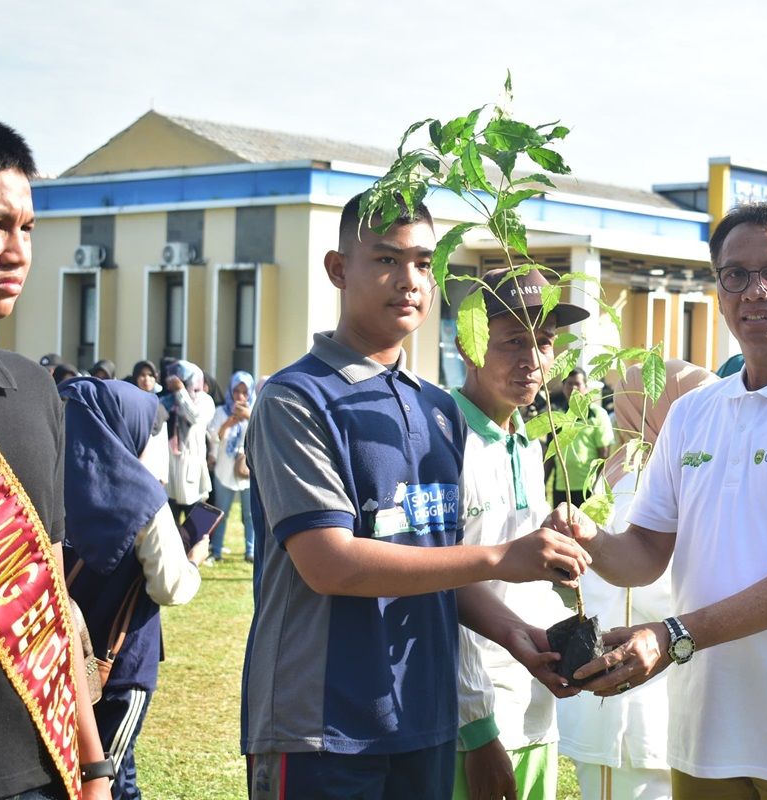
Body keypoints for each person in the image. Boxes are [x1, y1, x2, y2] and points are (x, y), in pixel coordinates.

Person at [241, 192, 590, 799]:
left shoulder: (436, 410)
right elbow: (328, 563)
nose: (409, 281)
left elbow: (438, 562)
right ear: (337, 268)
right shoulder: (296, 399)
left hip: (422, 720)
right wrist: (504, 558)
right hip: (322, 724)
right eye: (386, 259)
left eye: (425, 264)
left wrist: (511, 630)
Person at [548, 201, 767, 798]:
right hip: (704, 728)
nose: (753, 290)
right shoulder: (692, 414)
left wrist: (673, 635)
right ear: (718, 291)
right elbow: (645, 552)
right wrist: (589, 539)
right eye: (734, 274)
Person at [0, 105, 111, 799]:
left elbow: (49, 593)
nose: (17, 251)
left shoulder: (36, 392)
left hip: (37, 772)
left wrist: (95, 766)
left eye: (28, 228)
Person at [451, 267, 591, 800]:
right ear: (468, 344)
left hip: (536, 711)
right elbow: (443, 589)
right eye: (512, 341)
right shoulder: (446, 440)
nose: (533, 360)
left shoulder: (527, 447)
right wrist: (478, 730)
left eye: (545, 341)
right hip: (474, 722)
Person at [558, 359, 716, 800]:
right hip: (628, 716)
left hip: (665, 702)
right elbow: (636, 585)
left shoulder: (666, 481)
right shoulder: (636, 491)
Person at [60, 377, 207, 799]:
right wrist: (193, 558)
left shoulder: (36, 478)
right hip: (119, 664)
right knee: (112, 774)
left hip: (53, 660)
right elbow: (171, 587)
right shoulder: (141, 496)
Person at [207, 370, 256, 562]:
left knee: (250, 515)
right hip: (224, 469)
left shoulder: (256, 411)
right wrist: (229, 422)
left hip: (248, 471)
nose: (240, 396)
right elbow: (213, 437)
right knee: (221, 513)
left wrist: (249, 416)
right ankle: (217, 550)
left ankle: (251, 551)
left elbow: (262, 433)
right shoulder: (221, 412)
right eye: (237, 391)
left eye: (245, 392)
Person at [549, 367, 614, 509]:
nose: (573, 388)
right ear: (563, 387)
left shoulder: (597, 415)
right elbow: (550, 454)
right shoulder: (557, 416)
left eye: (577, 384)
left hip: (588, 488)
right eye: (569, 383)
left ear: (585, 388)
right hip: (562, 487)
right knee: (562, 530)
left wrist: (598, 487)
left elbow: (604, 454)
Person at [163, 360, 214, 522]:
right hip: (170, 469)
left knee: (195, 527)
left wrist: (181, 392)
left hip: (191, 469)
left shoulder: (205, 401)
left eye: (183, 380)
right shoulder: (167, 400)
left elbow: (194, 417)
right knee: (171, 527)